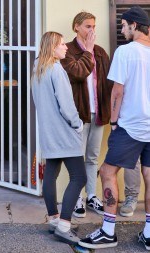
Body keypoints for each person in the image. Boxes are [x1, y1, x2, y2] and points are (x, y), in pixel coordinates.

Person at [79, 6, 150, 250]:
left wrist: (115, 121)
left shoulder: (125, 52)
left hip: (130, 126)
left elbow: (117, 90)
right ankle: (149, 234)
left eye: (123, 25)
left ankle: (108, 231)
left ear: (134, 25)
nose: (121, 29)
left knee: (107, 172)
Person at [31, 31, 86, 245]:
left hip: (48, 132)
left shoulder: (37, 69)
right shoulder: (56, 70)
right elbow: (67, 106)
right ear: (52, 48)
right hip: (64, 132)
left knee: (51, 174)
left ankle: (54, 220)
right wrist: (77, 123)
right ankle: (64, 226)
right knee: (79, 177)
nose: (66, 48)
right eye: (62, 45)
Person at [60, 11, 113, 218]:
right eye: (87, 26)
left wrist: (110, 110)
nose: (92, 30)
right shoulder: (68, 50)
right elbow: (77, 74)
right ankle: (78, 198)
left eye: (93, 26)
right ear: (76, 27)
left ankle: (91, 195)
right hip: (79, 114)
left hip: (97, 113)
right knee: (77, 157)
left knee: (92, 157)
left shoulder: (100, 52)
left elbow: (108, 83)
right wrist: (88, 51)